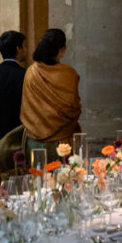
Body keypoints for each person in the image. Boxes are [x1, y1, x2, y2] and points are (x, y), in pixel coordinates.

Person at [20, 28, 81, 162]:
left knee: (37, 180)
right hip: (62, 142)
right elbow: (74, 108)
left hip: (34, 141)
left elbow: (27, 107)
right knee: (64, 180)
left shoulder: (31, 72)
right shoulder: (69, 74)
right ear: (62, 50)